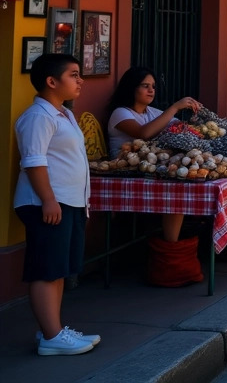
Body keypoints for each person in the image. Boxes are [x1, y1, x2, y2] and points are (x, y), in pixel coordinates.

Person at [14, 53, 100, 356]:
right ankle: (51, 337)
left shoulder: (63, 113)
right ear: (52, 81)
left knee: (59, 268)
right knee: (46, 269)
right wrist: (49, 200)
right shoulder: (38, 117)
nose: (80, 81)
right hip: (47, 203)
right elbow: (34, 161)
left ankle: (53, 329)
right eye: (73, 75)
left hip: (69, 202)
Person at [107, 67, 200, 241]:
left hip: (149, 170)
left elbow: (175, 124)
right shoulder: (120, 113)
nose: (151, 91)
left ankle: (176, 244)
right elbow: (144, 133)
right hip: (127, 172)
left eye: (153, 86)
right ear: (131, 88)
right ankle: (171, 248)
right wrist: (174, 107)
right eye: (145, 86)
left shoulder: (150, 112)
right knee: (175, 194)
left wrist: (193, 125)